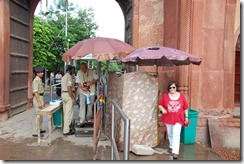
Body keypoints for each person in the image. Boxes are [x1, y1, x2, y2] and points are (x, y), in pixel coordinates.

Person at [158, 81, 189, 159]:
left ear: (176, 88)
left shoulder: (181, 96)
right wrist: (162, 109)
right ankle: (171, 146)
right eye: (170, 87)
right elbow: (160, 104)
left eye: (173, 87)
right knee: (170, 133)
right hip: (168, 118)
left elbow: (185, 107)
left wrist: (187, 117)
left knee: (176, 134)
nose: (172, 89)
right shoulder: (165, 96)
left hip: (179, 118)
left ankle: (175, 152)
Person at [61, 65, 76, 135]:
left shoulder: (63, 76)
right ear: (71, 70)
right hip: (68, 95)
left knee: (65, 113)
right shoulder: (69, 77)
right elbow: (69, 88)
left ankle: (66, 128)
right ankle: (66, 130)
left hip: (63, 95)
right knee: (68, 113)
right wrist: (73, 98)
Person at [32, 67, 46, 137]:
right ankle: (36, 131)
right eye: (41, 72)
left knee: (41, 115)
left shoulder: (39, 80)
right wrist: (39, 102)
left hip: (40, 97)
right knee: (38, 115)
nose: (42, 73)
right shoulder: (36, 81)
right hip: (38, 98)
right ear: (37, 73)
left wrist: (43, 101)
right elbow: (35, 92)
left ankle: (39, 129)